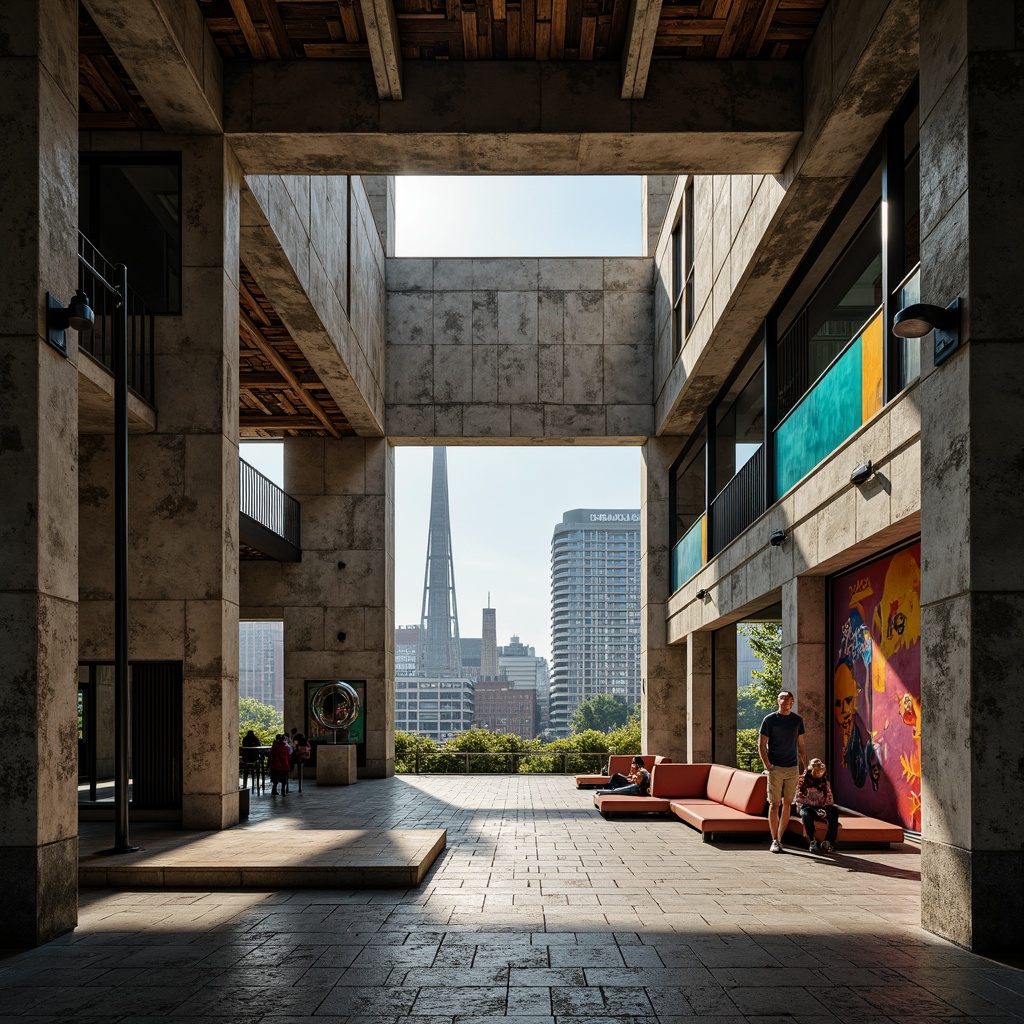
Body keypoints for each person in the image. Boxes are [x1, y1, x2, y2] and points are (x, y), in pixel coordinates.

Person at [759, 690, 806, 853]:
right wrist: (768, 766)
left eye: (788, 699)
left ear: (792, 701)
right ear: (777, 700)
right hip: (776, 769)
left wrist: (805, 768)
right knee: (774, 804)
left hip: (792, 768)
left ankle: (779, 839)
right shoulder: (769, 720)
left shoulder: (797, 721)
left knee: (788, 804)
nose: (785, 701)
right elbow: (761, 745)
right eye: (782, 698)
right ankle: (774, 839)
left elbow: (801, 746)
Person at [796, 758, 839, 853]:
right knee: (806, 814)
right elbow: (799, 798)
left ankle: (828, 842)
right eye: (816, 772)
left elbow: (829, 798)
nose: (818, 774)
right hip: (808, 806)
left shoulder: (825, 782)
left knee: (834, 812)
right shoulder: (803, 781)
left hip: (822, 807)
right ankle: (812, 840)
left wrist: (825, 809)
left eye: (820, 772)